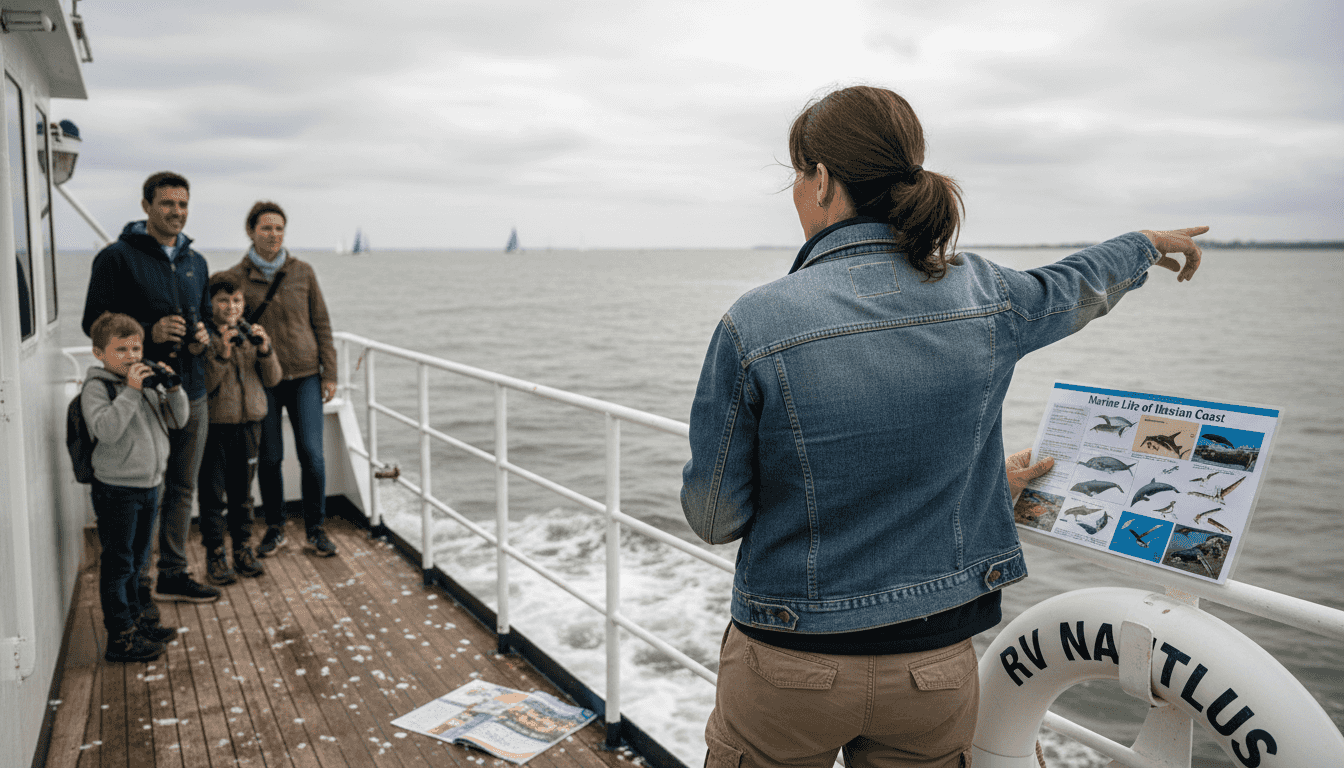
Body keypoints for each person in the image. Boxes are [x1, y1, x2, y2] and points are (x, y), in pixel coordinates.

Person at [679, 85, 1206, 768]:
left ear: (822, 180)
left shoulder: (755, 323)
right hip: (933, 668)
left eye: (796, 175)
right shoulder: (987, 295)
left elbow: (715, 516)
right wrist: (1141, 245)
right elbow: (1071, 287)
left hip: (791, 663)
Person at [82, 171, 220, 605]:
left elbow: (204, 319)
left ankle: (172, 574)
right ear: (146, 206)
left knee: (182, 487)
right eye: (167, 204)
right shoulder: (116, 258)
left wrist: (203, 336)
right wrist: (150, 329)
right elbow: (93, 324)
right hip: (139, 395)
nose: (177, 212)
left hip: (188, 389)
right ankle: (137, 585)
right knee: (146, 491)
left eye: (182, 204)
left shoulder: (196, 263)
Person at [220, 201, 339, 558]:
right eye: (266, 228)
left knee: (312, 455)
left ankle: (316, 530)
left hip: (305, 375)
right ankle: (275, 528)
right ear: (250, 231)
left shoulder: (303, 271)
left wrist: (329, 372)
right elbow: (224, 321)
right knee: (270, 458)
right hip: (262, 377)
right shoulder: (236, 277)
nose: (273, 234)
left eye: (279, 228)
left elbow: (321, 322)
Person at [83, 312, 189, 662]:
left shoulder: (142, 384)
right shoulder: (97, 387)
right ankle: (120, 637)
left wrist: (172, 388)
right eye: (121, 349)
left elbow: (179, 419)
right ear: (99, 353)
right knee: (119, 563)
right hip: (117, 490)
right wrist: (131, 391)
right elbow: (107, 430)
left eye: (136, 347)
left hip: (149, 484)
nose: (131, 356)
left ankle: (140, 621)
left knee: (140, 560)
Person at [198, 274, 282, 584]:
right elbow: (204, 385)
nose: (231, 307)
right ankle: (215, 555)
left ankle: (243, 549)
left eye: (236, 300)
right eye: (222, 300)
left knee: (243, 495)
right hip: (216, 426)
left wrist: (265, 349)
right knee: (212, 495)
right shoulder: (203, 338)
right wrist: (221, 352)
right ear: (210, 303)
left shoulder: (249, 333)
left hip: (250, 424)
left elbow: (273, 379)